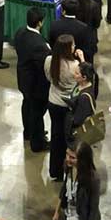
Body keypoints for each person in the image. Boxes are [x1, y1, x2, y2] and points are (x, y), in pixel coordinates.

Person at [13, 8, 51, 153]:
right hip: (35, 84)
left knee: (26, 105)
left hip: (23, 78)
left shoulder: (20, 32)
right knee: (37, 112)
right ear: (39, 23)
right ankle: (38, 142)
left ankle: (28, 132)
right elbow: (45, 65)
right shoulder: (39, 45)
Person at [46, 35, 81, 181]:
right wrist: (82, 58)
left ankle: (55, 170)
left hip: (53, 102)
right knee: (68, 139)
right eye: (72, 46)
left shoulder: (49, 61)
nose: (74, 48)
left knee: (55, 136)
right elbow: (84, 80)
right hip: (67, 106)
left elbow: (48, 77)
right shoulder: (75, 66)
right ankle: (67, 168)